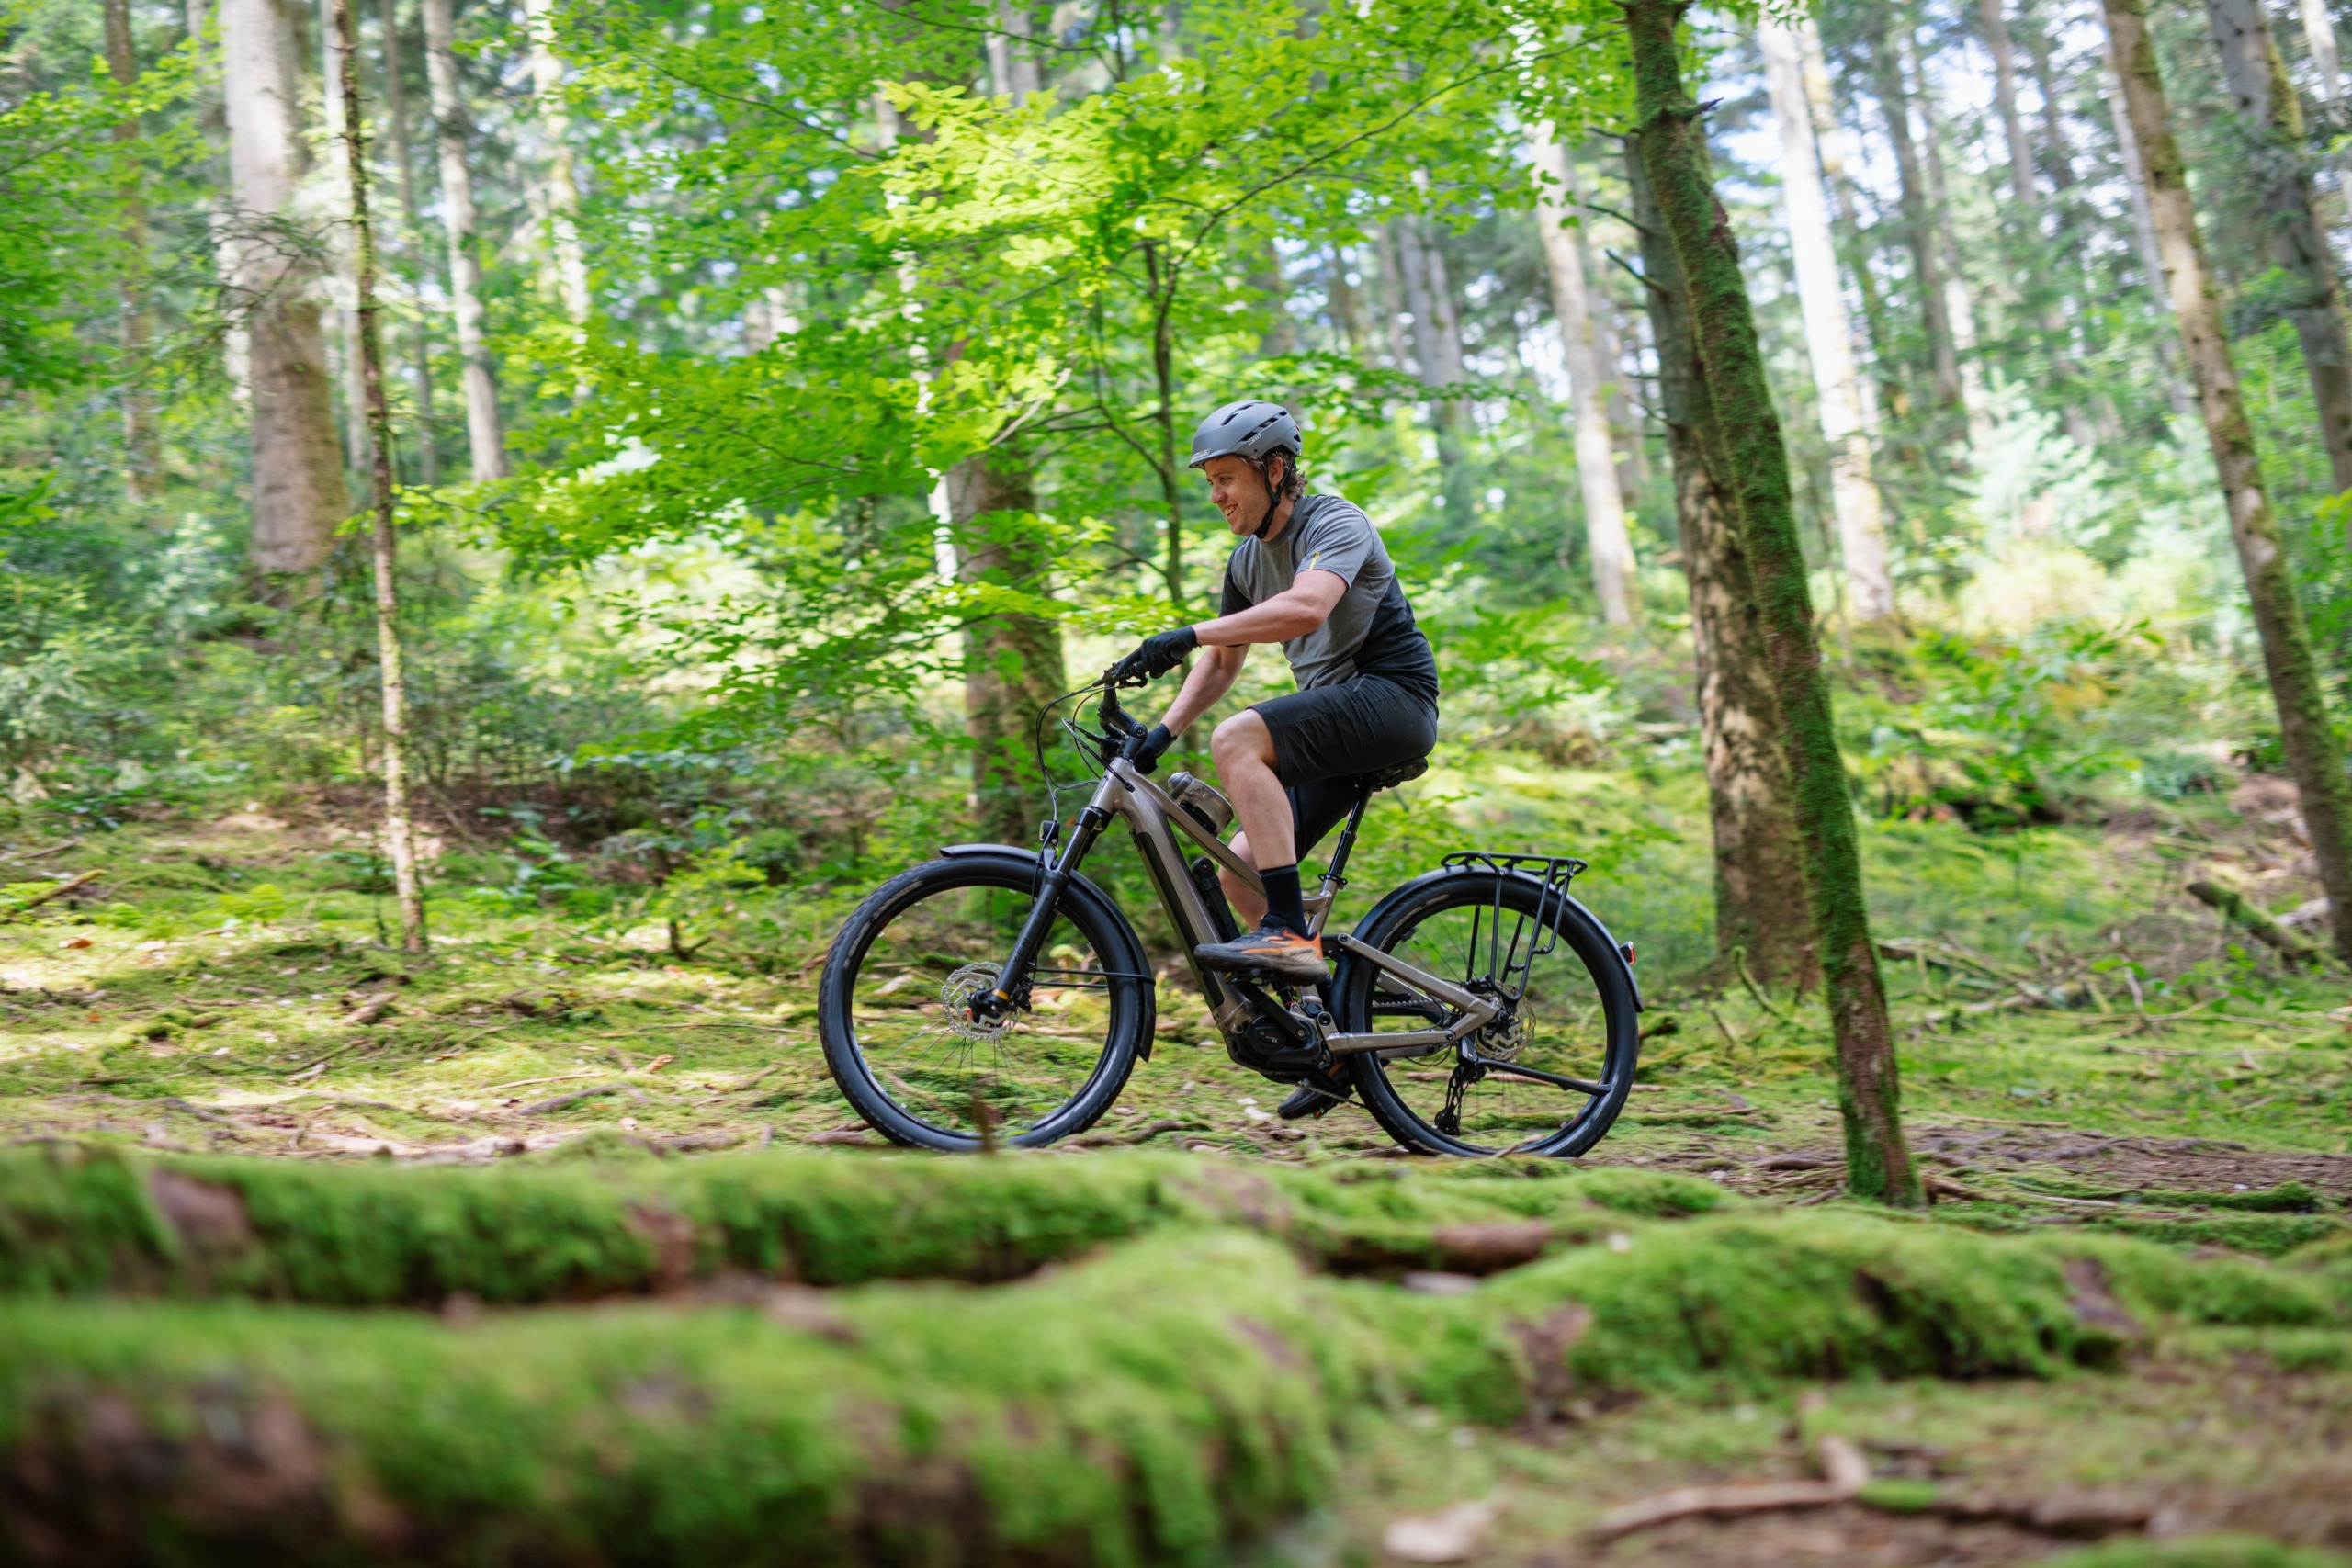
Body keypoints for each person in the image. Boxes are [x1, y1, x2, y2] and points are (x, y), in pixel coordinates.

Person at [1110, 399, 1441, 985]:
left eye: (1226, 478)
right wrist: (1162, 733)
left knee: (1236, 738)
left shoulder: (1335, 522)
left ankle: (1287, 934)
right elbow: (1221, 661)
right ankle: (1320, 1015)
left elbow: (1307, 607)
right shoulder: (1245, 563)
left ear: (1275, 470)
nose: (1217, 496)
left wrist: (1187, 633)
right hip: (1342, 725)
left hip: (1393, 698)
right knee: (1239, 872)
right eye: (1211, 483)